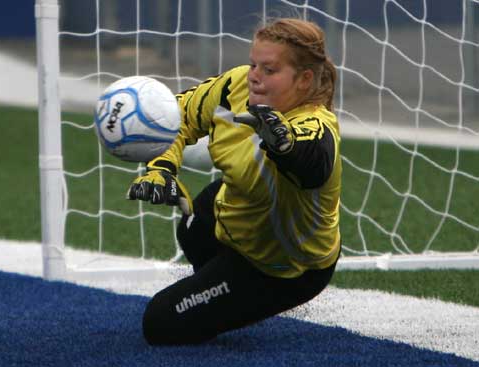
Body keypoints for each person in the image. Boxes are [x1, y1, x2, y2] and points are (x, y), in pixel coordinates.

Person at [127, 17, 341, 345]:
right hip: (240, 216)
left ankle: (239, 291)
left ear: (304, 79)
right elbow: (175, 116)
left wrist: (282, 146)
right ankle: (225, 290)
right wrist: (162, 169)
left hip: (287, 268)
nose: (255, 76)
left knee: (160, 323)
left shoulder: (314, 123)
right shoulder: (235, 85)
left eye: (270, 70)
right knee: (192, 223)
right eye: (254, 64)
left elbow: (314, 165)